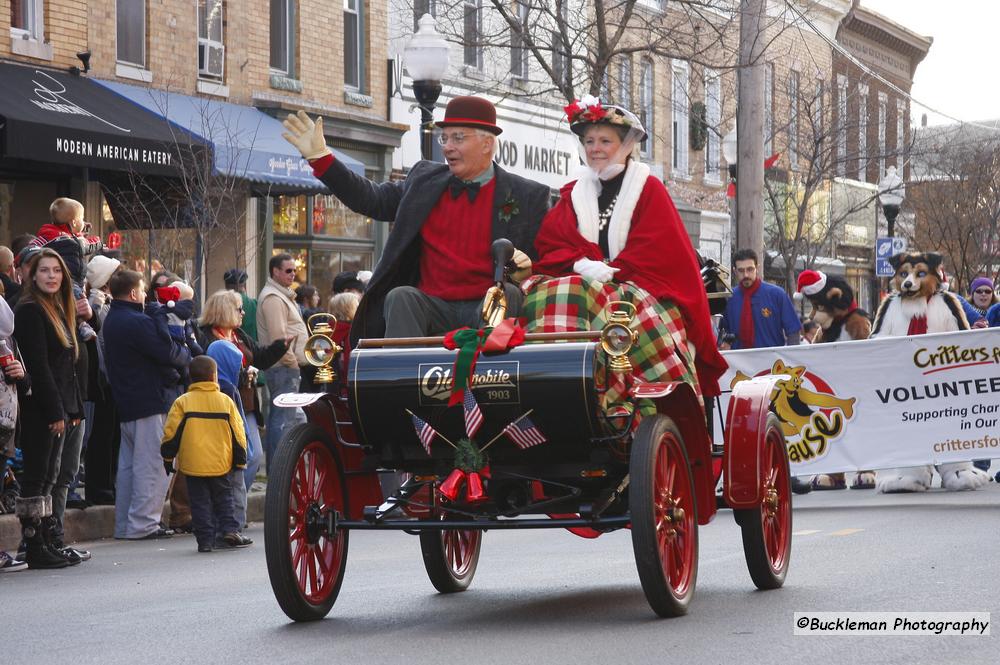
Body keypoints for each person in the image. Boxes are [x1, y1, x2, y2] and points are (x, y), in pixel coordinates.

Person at [281, 96, 549, 344]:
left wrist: (528, 269)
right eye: (444, 139)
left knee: (509, 295)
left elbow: (546, 265)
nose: (448, 148)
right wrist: (323, 160)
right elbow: (372, 199)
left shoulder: (527, 195)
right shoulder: (424, 181)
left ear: (487, 143)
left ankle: (492, 383)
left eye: (458, 138)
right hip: (432, 305)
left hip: (487, 303)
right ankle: (401, 385)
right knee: (400, 297)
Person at [526, 97, 728, 417]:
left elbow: (659, 249)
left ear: (626, 145)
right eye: (589, 141)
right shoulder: (573, 193)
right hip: (585, 283)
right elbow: (553, 242)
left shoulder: (648, 189)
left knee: (599, 302)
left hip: (644, 287)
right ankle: (551, 388)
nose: (595, 148)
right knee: (542, 294)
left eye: (605, 140)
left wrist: (612, 271)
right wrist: (581, 263)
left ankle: (649, 407)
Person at [103, 269, 192, 540]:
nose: (145, 296)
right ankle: (143, 524)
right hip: (150, 400)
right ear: (132, 293)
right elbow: (170, 354)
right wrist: (182, 345)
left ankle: (126, 524)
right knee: (154, 465)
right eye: (142, 291)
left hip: (129, 402)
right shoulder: (136, 321)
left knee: (130, 467)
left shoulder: (113, 319)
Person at [13, 249, 85, 568]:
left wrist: (74, 408)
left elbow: (67, 367)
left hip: (61, 406)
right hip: (40, 407)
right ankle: (33, 545)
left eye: (57, 270)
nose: (52, 276)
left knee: (49, 477)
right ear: (32, 275)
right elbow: (40, 368)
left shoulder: (57, 307)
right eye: (45, 270)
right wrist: (56, 411)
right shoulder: (29, 310)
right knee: (37, 477)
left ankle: (44, 541)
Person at [195, 290, 288, 489]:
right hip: (221, 405)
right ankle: (229, 503)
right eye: (239, 309)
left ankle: (236, 502)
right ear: (224, 311)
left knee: (253, 457)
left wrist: (281, 346)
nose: (243, 313)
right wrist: (242, 375)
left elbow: (260, 357)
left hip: (246, 404)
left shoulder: (238, 335)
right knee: (232, 457)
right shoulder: (204, 336)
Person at [161, 355, 250, 553]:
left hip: (193, 464)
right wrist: (240, 460)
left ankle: (205, 540)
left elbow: (170, 433)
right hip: (221, 462)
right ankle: (229, 528)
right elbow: (238, 433)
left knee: (199, 503)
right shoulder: (225, 401)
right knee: (224, 498)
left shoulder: (182, 402)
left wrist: (168, 458)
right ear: (214, 376)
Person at [257, 254, 309, 470]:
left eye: (294, 270)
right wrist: (292, 363)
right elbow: (280, 339)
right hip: (283, 368)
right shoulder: (273, 298)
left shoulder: (282, 296)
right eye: (288, 271)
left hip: (286, 368)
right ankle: (279, 470)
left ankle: (286, 469)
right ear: (275, 272)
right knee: (282, 421)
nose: (293, 274)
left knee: (296, 419)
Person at [83, 254, 121, 506]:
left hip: (107, 379)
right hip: (100, 380)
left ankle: (106, 484)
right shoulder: (97, 303)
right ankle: (99, 486)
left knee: (109, 435)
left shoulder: (106, 303)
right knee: (100, 435)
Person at [720, 249, 802, 349]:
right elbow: (723, 334)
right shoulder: (729, 298)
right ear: (734, 271)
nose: (746, 275)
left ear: (757, 268)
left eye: (750, 269)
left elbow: (793, 331)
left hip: (772, 361)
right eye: (741, 270)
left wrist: (790, 358)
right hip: (739, 362)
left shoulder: (777, 295)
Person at [224, 268, 258, 342]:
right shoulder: (255, 304)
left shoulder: (223, 304)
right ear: (245, 286)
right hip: (254, 349)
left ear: (226, 286)